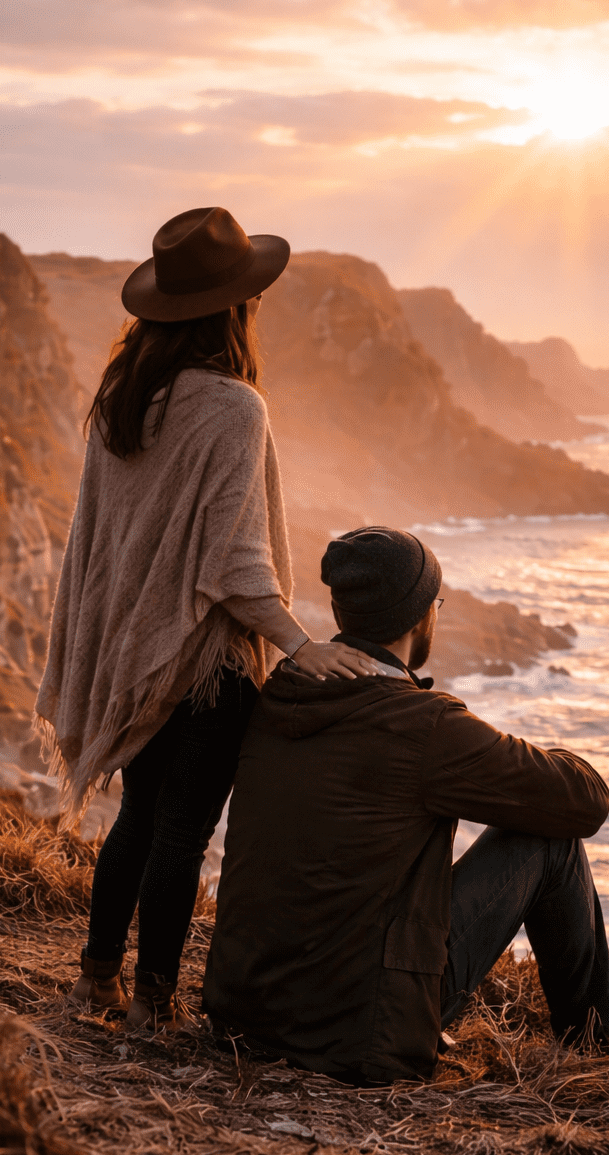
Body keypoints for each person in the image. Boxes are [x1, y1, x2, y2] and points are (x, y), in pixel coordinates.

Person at [34, 207, 382, 1032]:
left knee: (139, 819)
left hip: (136, 654)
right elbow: (232, 567)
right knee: (183, 834)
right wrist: (301, 646)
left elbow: (105, 546)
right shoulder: (233, 408)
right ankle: (155, 1000)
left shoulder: (123, 399)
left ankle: (95, 981)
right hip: (204, 663)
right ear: (236, 308)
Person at [202, 525, 609, 1084]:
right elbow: (585, 802)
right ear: (421, 614)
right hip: (362, 1035)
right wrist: (544, 754)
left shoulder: (280, 690)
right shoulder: (426, 726)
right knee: (550, 840)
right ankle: (603, 1046)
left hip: (245, 1014)